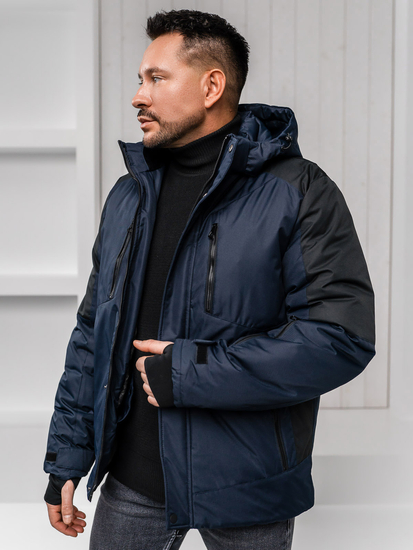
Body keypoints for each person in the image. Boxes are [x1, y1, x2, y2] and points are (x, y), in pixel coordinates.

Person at [43, 9, 375, 550]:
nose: (138, 96)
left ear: (211, 86)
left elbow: (339, 338)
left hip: (248, 487)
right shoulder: (129, 196)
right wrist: (67, 456)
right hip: (132, 480)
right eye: (140, 79)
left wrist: (189, 373)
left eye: (157, 78)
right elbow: (92, 333)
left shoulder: (298, 192)